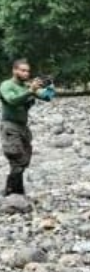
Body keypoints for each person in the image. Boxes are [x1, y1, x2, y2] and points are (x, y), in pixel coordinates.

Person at [1, 59, 54, 196]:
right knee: (16, 158)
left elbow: (47, 97)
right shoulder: (7, 85)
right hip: (10, 126)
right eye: (23, 70)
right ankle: (12, 192)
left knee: (24, 159)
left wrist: (49, 85)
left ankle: (15, 191)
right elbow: (12, 100)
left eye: (28, 71)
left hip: (23, 127)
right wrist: (30, 91)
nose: (26, 73)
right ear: (15, 70)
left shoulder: (27, 86)